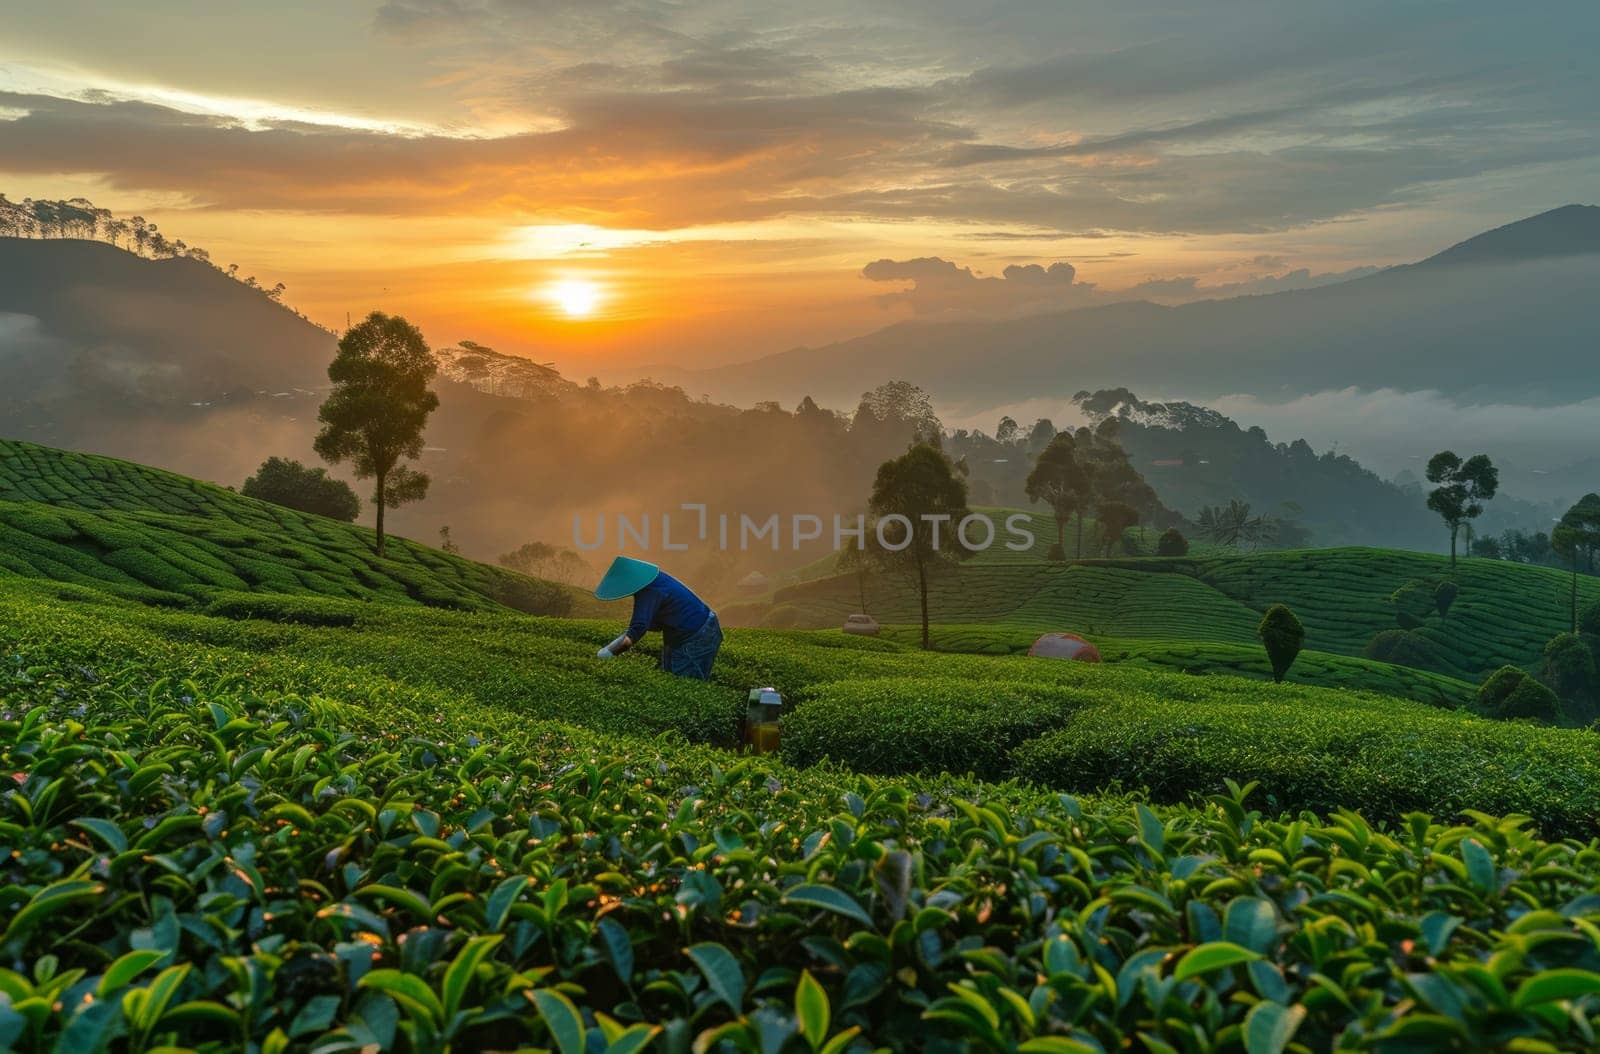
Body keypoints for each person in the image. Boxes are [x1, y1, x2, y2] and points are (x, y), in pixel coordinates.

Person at [593, 556, 723, 679]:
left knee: (680, 683)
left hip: (696, 636)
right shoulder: (657, 580)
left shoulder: (649, 591)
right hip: (704, 625)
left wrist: (606, 653)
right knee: (670, 674)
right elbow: (655, 620)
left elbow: (634, 634)